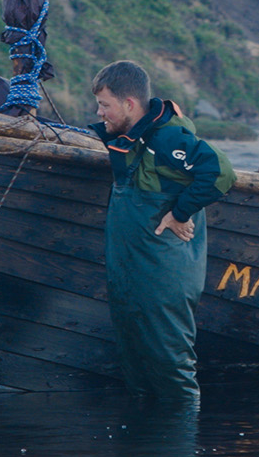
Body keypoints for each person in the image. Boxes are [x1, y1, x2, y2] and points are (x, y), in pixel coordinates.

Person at [90, 60, 235, 402]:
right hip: (130, 278)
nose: (100, 113)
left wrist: (180, 212)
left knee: (170, 367)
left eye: (105, 105)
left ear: (129, 104)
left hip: (163, 278)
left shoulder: (168, 137)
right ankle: (145, 445)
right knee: (136, 363)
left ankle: (180, 444)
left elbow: (221, 173)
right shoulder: (128, 136)